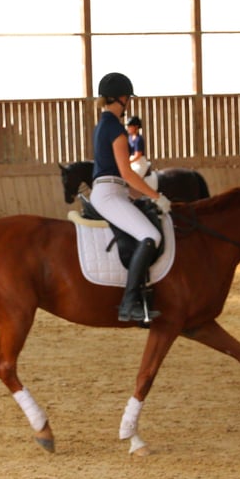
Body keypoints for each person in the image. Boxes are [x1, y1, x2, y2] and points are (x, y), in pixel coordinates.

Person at [90, 72, 171, 322]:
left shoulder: (104, 124)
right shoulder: (115, 128)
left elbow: (120, 176)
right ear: (122, 98)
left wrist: (140, 196)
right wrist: (156, 196)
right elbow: (126, 172)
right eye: (128, 98)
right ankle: (128, 304)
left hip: (114, 190)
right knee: (151, 236)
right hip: (108, 193)